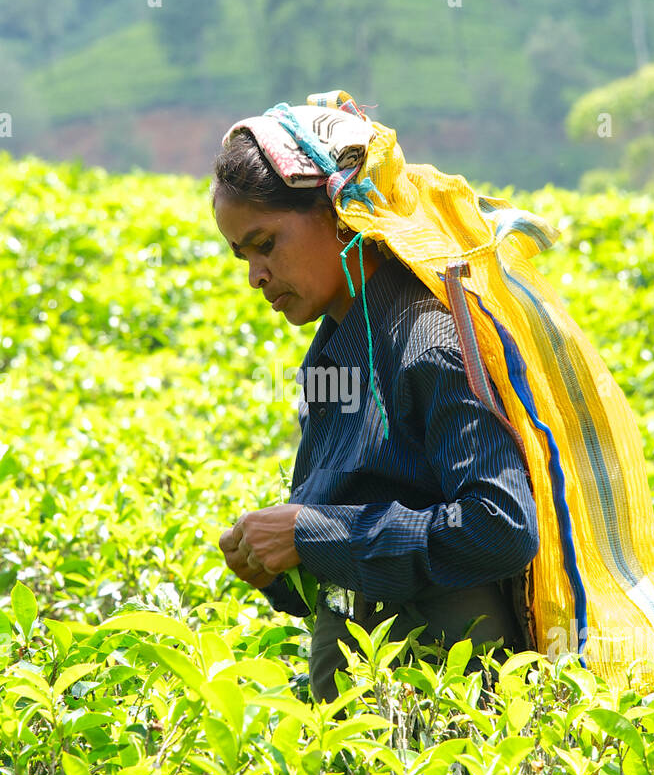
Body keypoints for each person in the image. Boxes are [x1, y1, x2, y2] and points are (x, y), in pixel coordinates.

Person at [212, 104, 540, 704]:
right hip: (358, 694)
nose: (256, 277)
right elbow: (340, 524)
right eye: (244, 257)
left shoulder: (428, 340)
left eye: (266, 245)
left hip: (446, 702)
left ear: (340, 217)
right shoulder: (329, 355)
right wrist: (277, 567)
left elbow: (501, 528)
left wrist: (310, 534)